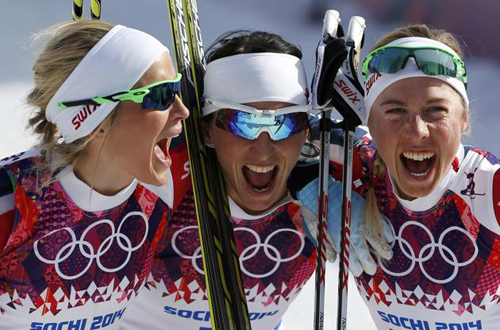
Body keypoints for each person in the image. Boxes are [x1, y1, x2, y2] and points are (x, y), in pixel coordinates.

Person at [120, 30, 393, 330]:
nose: (263, 149)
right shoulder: (163, 172)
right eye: (243, 122)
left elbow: (422, 156)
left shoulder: (337, 163)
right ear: (208, 129)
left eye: (284, 121)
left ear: (306, 130)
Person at [0, 20, 189, 329]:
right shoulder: (13, 200)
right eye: (161, 96)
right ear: (96, 119)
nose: (182, 111)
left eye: (178, 88)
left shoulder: (165, 188)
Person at [329, 24, 500, 329]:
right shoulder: (354, 168)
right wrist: (300, 176)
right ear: (369, 122)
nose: (417, 130)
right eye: (395, 111)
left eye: (435, 110)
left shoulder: (489, 189)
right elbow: (258, 139)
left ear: (463, 120)